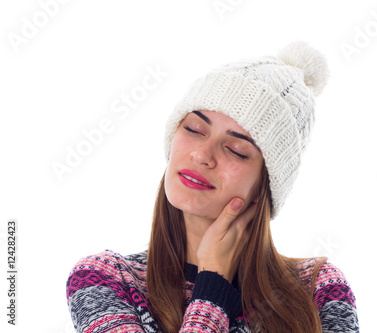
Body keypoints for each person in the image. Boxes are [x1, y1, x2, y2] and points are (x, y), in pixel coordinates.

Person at [66, 41, 359, 332]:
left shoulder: (317, 288)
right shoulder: (103, 278)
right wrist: (213, 285)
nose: (202, 155)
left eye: (235, 149)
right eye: (193, 129)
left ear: (264, 187)